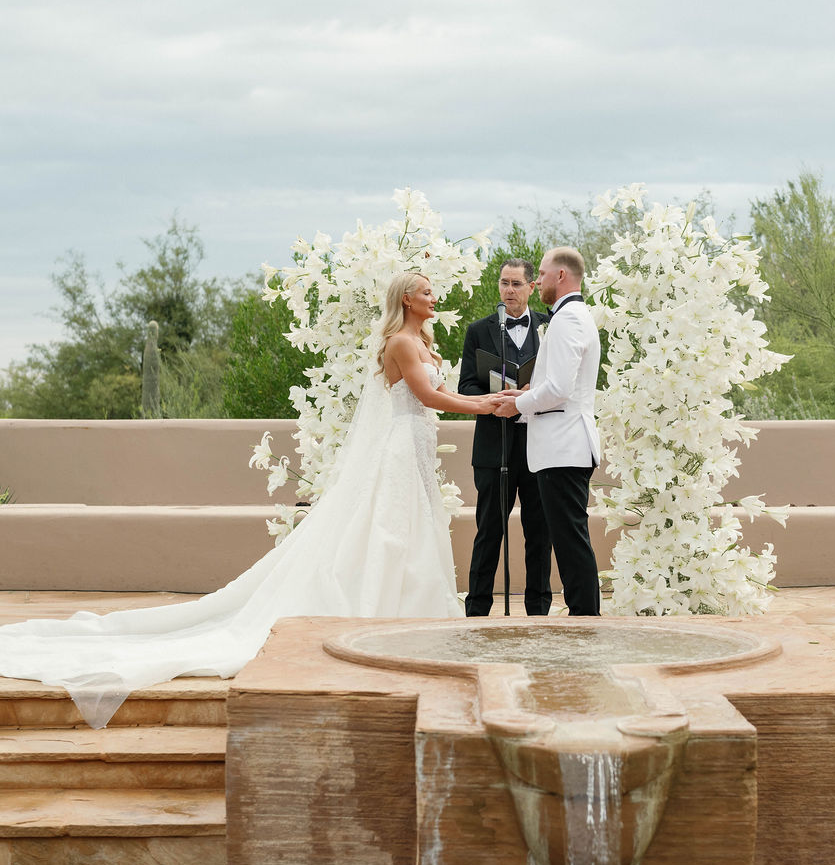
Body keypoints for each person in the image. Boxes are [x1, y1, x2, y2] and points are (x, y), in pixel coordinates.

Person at [0, 272, 498, 729]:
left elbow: (434, 396)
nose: (436, 298)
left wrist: (484, 399)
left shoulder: (425, 341)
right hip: (395, 450)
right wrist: (484, 405)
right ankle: (375, 612)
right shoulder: (401, 342)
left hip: (414, 448)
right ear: (406, 298)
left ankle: (407, 613)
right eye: (428, 291)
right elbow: (428, 397)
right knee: (388, 528)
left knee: (410, 530)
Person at [495, 246, 601, 616]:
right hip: (564, 444)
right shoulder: (574, 315)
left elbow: (559, 389)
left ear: (561, 276)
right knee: (570, 540)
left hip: (563, 446)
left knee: (571, 542)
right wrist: (525, 392)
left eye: (540, 273)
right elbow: (556, 385)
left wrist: (517, 405)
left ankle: (585, 618)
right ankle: (584, 616)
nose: (536, 281)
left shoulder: (568, 319)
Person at [458, 259, 552, 616]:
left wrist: (533, 392)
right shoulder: (479, 330)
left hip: (539, 445)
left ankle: (538, 611)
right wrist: (499, 393)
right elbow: (465, 386)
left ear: (531, 287)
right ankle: (477, 611)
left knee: (539, 533)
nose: (508, 290)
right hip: (493, 447)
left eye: (516, 284)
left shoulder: (550, 326)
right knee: (488, 531)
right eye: (503, 283)